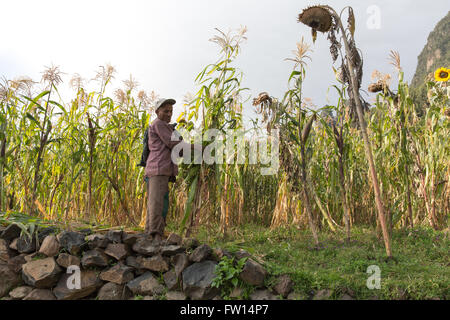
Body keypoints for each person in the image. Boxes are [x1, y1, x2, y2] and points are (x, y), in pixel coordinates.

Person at [144, 98, 198, 243]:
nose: (169, 114)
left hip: (163, 170)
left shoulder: (167, 127)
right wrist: (198, 148)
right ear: (157, 112)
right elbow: (172, 143)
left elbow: (178, 150)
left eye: (171, 111)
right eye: (165, 111)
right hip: (158, 168)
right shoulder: (159, 124)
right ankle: (154, 236)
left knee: (159, 202)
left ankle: (151, 235)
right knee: (157, 203)